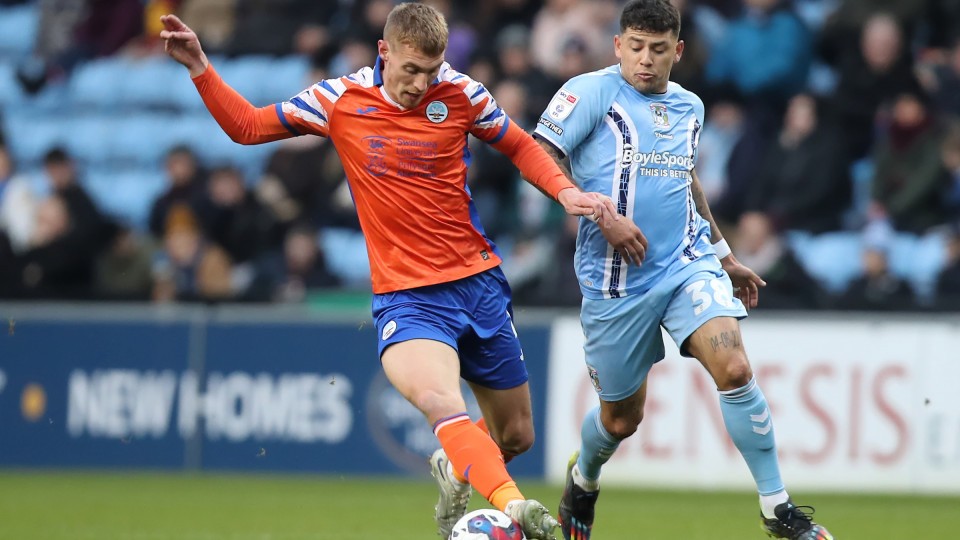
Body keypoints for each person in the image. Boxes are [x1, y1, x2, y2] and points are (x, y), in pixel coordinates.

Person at [160, 4, 617, 540]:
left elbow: (517, 143)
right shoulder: (340, 98)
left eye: (432, 71)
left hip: (479, 285)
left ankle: (457, 462)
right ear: (385, 51)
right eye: (411, 71)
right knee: (441, 402)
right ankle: (516, 509)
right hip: (408, 297)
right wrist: (199, 67)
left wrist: (564, 191)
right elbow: (246, 126)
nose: (421, 85)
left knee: (515, 435)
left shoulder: (461, 92)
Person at [531, 1, 835, 539]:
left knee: (736, 368)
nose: (646, 60)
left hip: (684, 264)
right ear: (618, 45)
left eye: (658, 49)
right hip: (615, 281)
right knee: (622, 419)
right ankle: (584, 479)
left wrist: (723, 254)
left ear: (678, 51)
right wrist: (599, 213)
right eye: (636, 47)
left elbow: (687, 182)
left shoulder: (689, 106)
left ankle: (778, 509)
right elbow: (536, 154)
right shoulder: (590, 93)